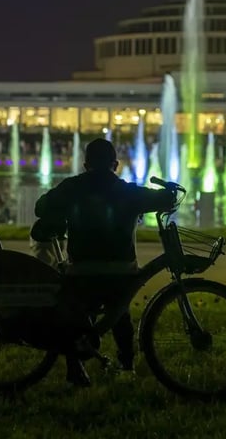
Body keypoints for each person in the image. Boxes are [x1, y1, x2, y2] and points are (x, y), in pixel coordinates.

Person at [34, 138, 176, 386]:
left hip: (81, 270)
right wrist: (170, 192)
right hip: (121, 271)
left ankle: (75, 368)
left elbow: (40, 207)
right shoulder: (128, 192)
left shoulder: (72, 187)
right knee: (120, 312)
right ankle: (126, 364)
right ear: (116, 165)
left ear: (86, 164)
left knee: (76, 315)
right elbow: (164, 200)